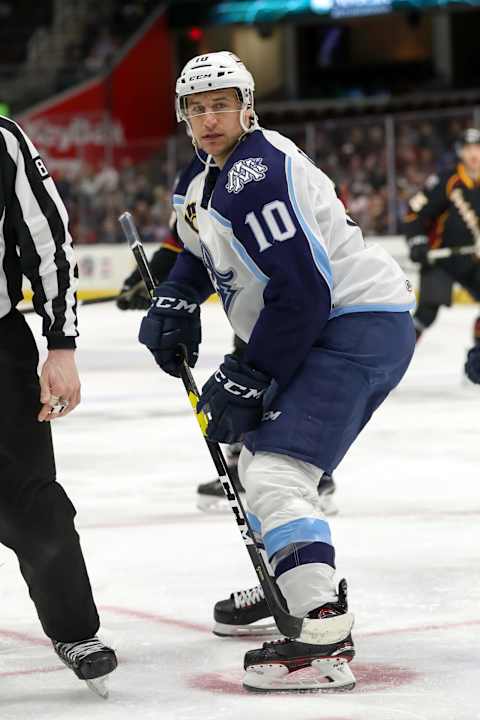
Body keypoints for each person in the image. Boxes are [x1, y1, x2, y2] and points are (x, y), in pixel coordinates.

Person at [138, 52, 415, 692]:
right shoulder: (206, 174)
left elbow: (304, 292)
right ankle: (290, 580)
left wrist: (250, 371)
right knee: (249, 453)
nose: (210, 118)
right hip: (326, 324)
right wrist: (177, 297)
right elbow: (202, 246)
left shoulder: (255, 173)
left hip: (351, 323)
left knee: (275, 470)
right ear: (184, 116)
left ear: (248, 105)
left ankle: (320, 631)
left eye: (222, 104)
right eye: (197, 107)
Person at [118, 191, 339, 514]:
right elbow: (186, 243)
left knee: (273, 375)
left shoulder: (259, 167)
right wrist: (149, 283)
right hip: (253, 300)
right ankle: (259, 462)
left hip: (285, 295)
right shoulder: (198, 176)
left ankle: (309, 468)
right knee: (251, 374)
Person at [0, 116, 117, 695]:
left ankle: (74, 629)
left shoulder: (1, 140)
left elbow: (46, 242)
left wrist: (62, 345)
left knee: (31, 499)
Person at [403, 127, 480, 384]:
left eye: (478, 148)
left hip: (472, 261)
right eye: (468, 148)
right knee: (426, 314)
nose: (474, 154)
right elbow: (414, 214)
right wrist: (417, 242)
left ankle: (476, 368)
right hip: (440, 259)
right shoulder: (446, 181)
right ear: (460, 153)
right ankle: (389, 358)